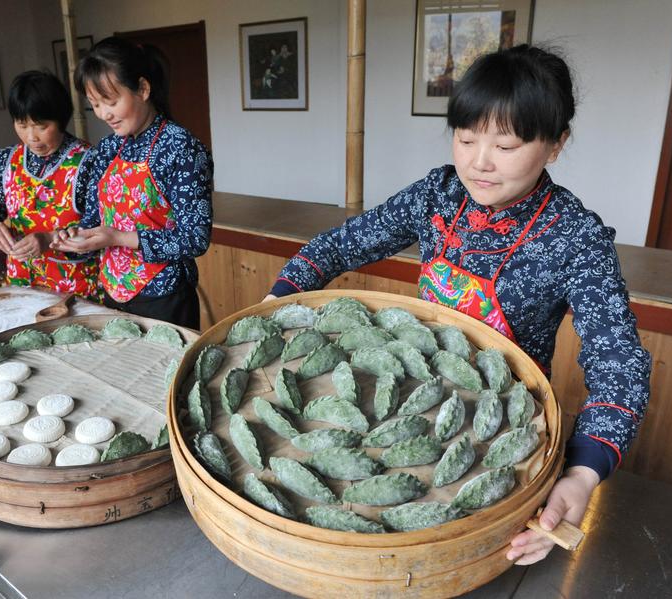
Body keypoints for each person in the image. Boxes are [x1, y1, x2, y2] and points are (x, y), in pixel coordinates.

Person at [265, 45, 651, 564]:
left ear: (555, 145)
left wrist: (583, 474)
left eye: (506, 145)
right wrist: (279, 298)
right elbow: (341, 244)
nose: (478, 162)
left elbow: (619, 367)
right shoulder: (438, 195)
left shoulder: (574, 238)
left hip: (503, 428)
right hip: (412, 391)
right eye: (465, 138)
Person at [51, 37, 213, 329]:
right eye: (95, 104)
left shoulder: (180, 147)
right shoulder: (105, 150)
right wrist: (75, 239)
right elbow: (93, 221)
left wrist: (119, 238)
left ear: (143, 88)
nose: (104, 114)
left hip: (165, 297)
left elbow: (195, 239)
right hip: (112, 290)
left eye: (111, 102)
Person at [0, 70, 100, 300]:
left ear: (61, 119)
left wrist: (49, 238)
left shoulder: (89, 161)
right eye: (22, 124)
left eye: (41, 125)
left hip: (77, 291)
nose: (31, 137)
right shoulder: (6, 161)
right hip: (22, 287)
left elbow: (101, 227)